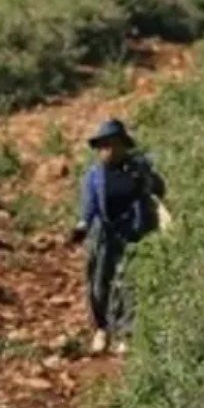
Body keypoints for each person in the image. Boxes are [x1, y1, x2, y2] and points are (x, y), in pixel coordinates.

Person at [70, 117, 167, 355]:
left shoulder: (137, 170)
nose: (108, 150)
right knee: (98, 282)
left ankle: (126, 334)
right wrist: (82, 225)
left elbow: (159, 190)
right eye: (104, 146)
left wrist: (147, 179)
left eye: (113, 144)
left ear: (124, 146)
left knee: (128, 283)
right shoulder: (94, 176)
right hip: (104, 233)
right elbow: (90, 206)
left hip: (132, 233)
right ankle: (101, 330)